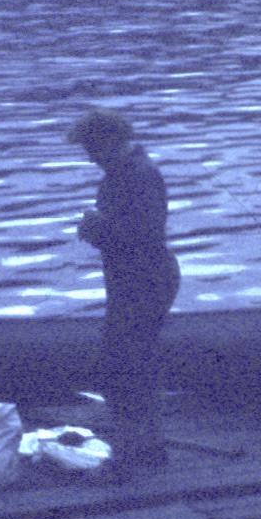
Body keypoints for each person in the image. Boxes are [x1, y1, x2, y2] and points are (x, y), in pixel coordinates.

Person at [68, 109, 181, 470]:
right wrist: (99, 230)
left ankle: (141, 447)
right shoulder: (124, 173)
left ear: (112, 141)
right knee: (130, 361)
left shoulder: (139, 176)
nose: (90, 157)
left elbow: (144, 236)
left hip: (146, 280)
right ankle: (142, 443)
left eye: (92, 148)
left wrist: (96, 230)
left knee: (128, 363)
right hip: (134, 279)